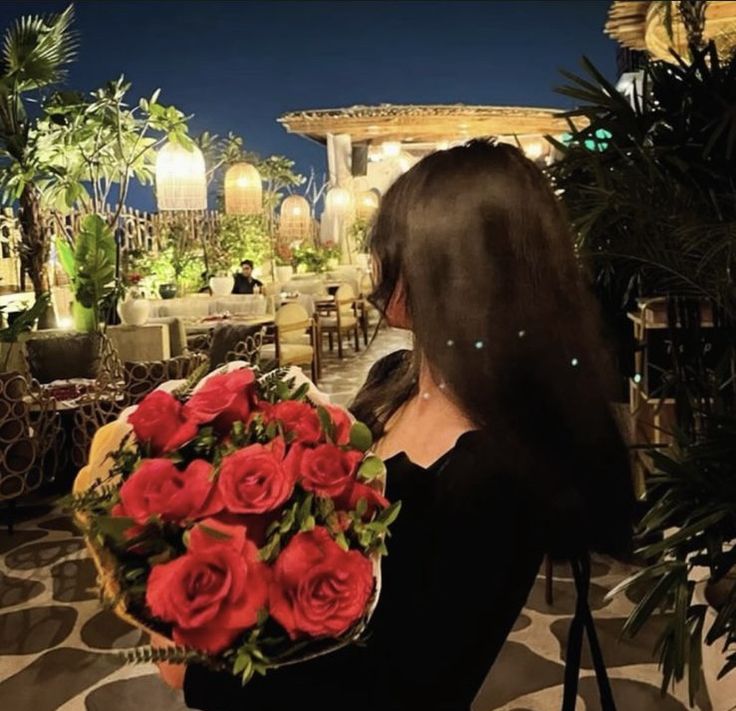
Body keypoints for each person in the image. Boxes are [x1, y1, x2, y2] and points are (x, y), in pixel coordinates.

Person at [162, 141, 635, 710]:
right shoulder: (395, 377)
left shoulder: (494, 469)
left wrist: (196, 673)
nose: (376, 267)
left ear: (453, 266)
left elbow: (406, 683)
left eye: (391, 248)